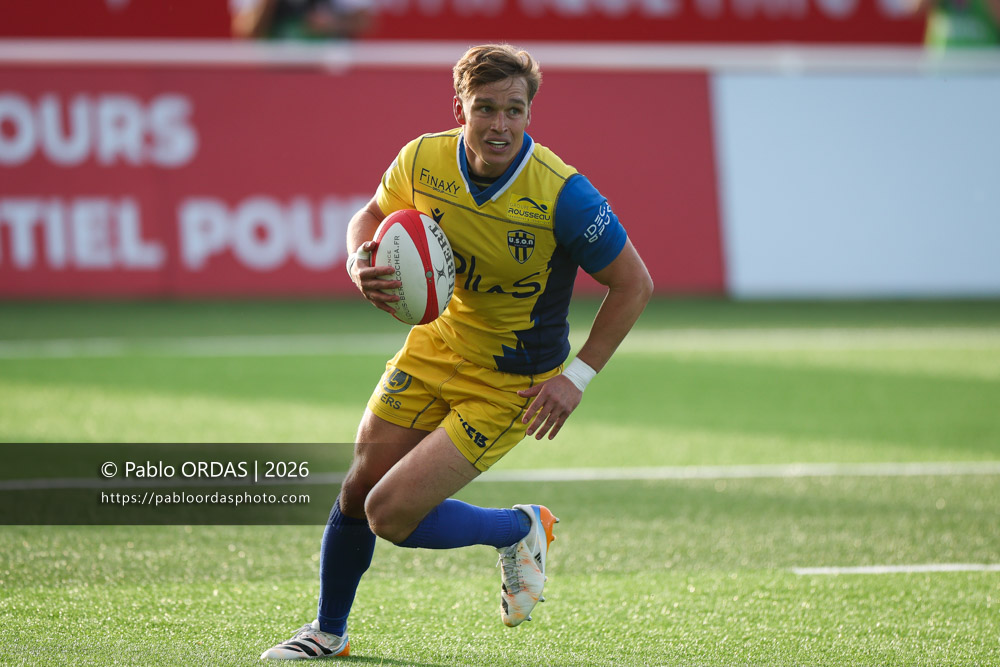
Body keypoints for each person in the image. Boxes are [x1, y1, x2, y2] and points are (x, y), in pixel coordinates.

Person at [261, 43, 653, 660]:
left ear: (530, 113)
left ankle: (519, 528)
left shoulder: (563, 195)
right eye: (486, 108)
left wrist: (576, 377)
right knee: (358, 485)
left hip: (511, 382)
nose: (500, 124)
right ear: (460, 107)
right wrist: (359, 259)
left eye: (514, 110)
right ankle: (326, 632)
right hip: (437, 347)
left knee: (388, 513)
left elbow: (635, 284)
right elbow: (370, 215)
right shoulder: (423, 159)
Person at [230, 0, 374, 41]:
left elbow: (364, 21)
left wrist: (332, 24)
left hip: (328, 71)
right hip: (272, 73)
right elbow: (244, 30)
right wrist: (267, 5)